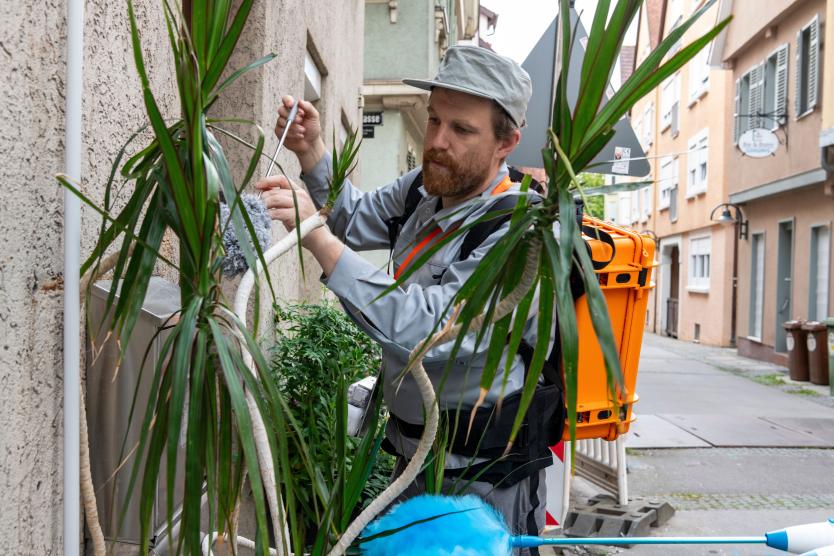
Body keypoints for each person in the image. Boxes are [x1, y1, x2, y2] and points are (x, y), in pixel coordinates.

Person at [257, 46, 559, 554]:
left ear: (507, 141)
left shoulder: (523, 237)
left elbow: (431, 329)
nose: (437, 142)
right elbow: (352, 218)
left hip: (484, 479)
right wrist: (311, 153)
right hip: (414, 457)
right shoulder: (424, 191)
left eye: (461, 130)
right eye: (434, 119)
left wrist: (315, 235)